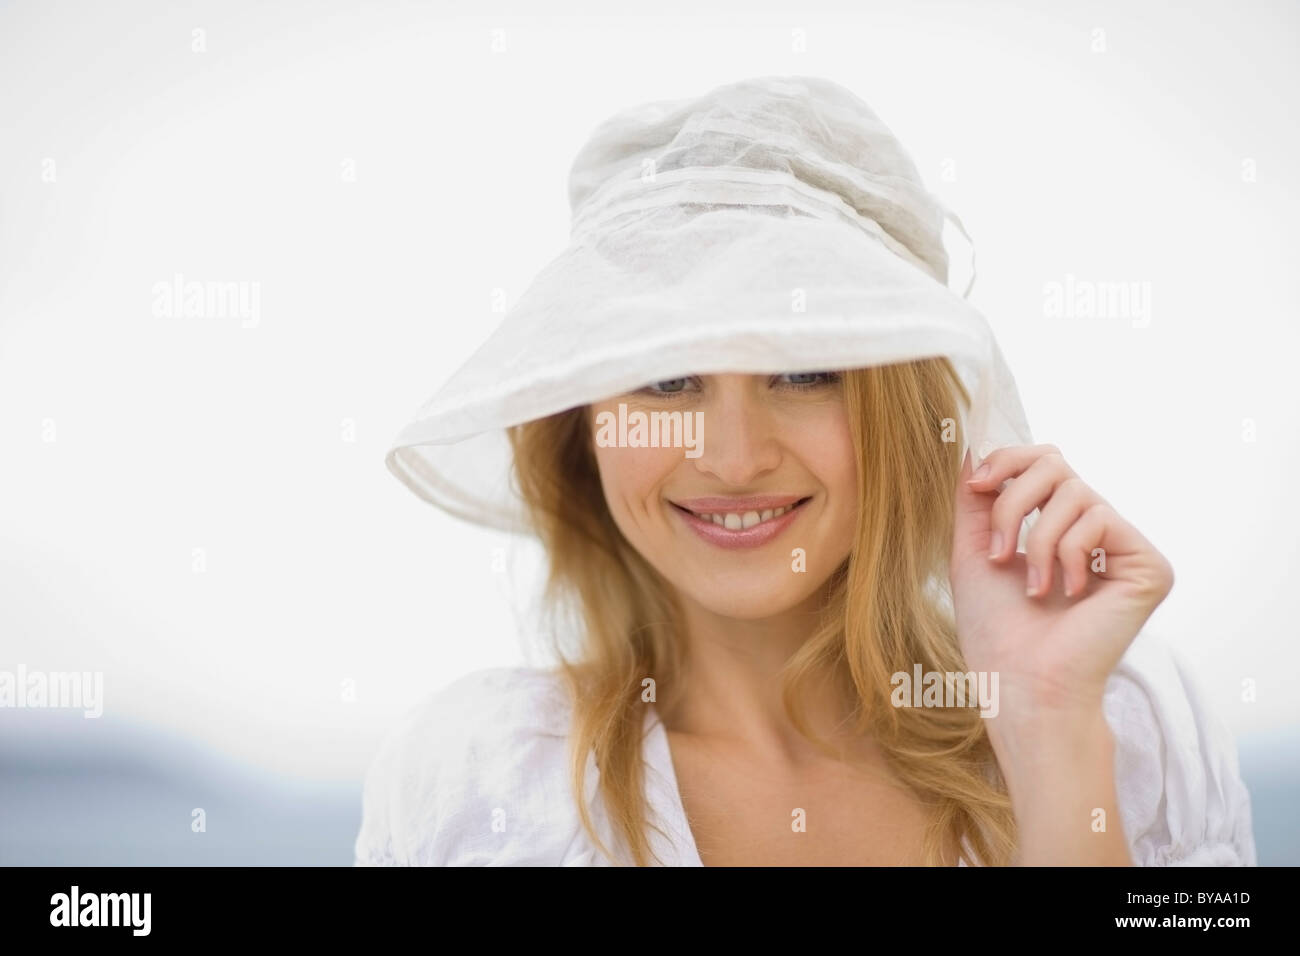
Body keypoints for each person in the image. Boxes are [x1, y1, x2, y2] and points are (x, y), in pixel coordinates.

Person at [354, 76, 1256, 866]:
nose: (737, 458)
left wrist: (1049, 729)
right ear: (582, 429)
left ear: (899, 415)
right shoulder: (477, 788)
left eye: (804, 371)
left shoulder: (1134, 735)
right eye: (666, 381)